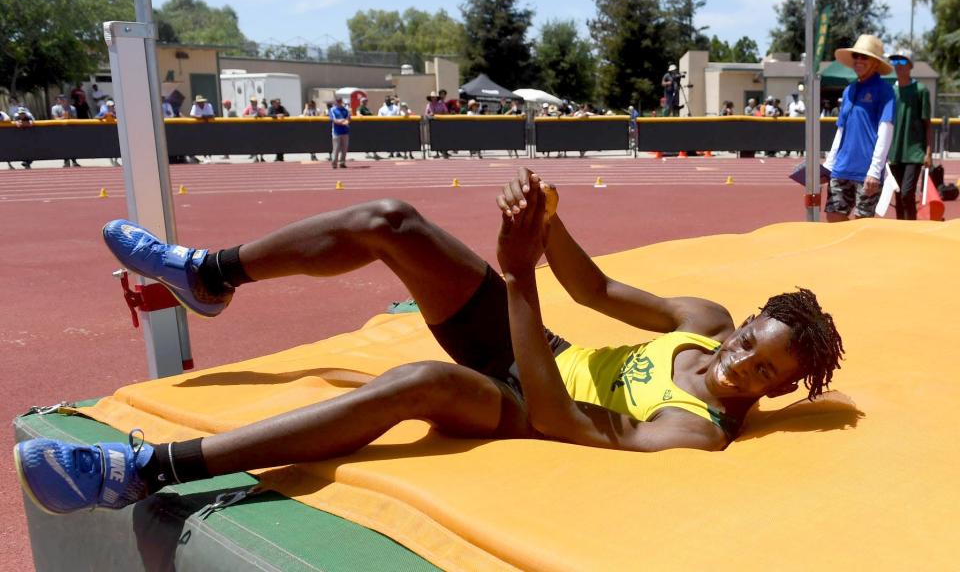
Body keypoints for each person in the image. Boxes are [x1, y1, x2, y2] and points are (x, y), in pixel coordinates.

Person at [14, 168, 845, 516]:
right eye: (749, 342)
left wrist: (517, 276)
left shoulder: (691, 431)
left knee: (416, 380)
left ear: (774, 392)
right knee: (391, 222)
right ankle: (213, 274)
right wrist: (546, 221)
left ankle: (147, 470)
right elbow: (595, 291)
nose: (741, 363)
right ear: (741, 324)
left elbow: (563, 421)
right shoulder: (699, 321)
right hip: (539, 348)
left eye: (762, 372)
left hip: (525, 401)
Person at [823, 35, 896, 222]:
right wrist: (829, 166)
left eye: (864, 57)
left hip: (866, 171)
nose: (858, 61)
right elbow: (841, 130)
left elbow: (886, 130)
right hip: (841, 168)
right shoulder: (849, 90)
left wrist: (874, 170)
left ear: (875, 63)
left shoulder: (885, 91)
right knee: (833, 218)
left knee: (861, 228)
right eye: (856, 56)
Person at [886, 50, 932, 220]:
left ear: (911, 66)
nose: (898, 65)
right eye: (895, 62)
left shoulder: (921, 90)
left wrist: (928, 152)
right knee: (898, 196)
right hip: (895, 152)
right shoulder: (890, 92)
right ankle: (901, 232)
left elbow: (928, 125)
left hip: (914, 152)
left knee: (907, 193)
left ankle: (912, 229)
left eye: (903, 62)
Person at [51, 95, 81, 167]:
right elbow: (55, 119)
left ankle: (74, 161)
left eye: (64, 99)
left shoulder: (72, 108)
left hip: (71, 128)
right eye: (61, 99)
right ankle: (66, 161)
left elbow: (75, 118)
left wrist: (69, 117)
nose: (63, 100)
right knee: (63, 146)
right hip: (61, 129)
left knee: (73, 145)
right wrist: (63, 117)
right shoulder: (55, 108)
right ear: (59, 100)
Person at [10, 102, 36, 169]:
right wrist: (20, 123)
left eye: (23, 113)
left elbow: (32, 123)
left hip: (30, 135)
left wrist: (24, 123)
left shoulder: (29, 115)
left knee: (31, 148)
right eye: (20, 113)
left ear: (25, 112)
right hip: (20, 136)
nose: (22, 115)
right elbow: (17, 124)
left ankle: (28, 162)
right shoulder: (16, 116)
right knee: (21, 148)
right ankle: (26, 162)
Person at [242, 97, 266, 163]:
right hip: (252, 128)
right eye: (252, 102)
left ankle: (262, 157)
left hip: (260, 128)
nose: (253, 103)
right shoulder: (248, 108)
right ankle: (255, 157)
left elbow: (264, 115)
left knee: (261, 142)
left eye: (254, 101)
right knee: (254, 143)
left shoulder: (260, 108)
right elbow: (244, 115)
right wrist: (252, 116)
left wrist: (259, 114)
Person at [329, 95, 350, 168]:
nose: (339, 102)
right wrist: (342, 121)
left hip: (345, 131)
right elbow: (334, 120)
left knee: (344, 148)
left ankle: (342, 162)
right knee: (336, 148)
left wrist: (345, 121)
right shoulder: (332, 110)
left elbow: (348, 119)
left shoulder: (345, 110)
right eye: (337, 101)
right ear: (335, 102)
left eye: (340, 101)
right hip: (336, 132)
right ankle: (334, 163)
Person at [267, 98, 290, 163]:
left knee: (281, 142)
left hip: (281, 128)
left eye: (279, 103)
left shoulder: (282, 108)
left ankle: (281, 157)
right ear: (274, 103)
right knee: (275, 142)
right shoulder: (271, 108)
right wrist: (276, 115)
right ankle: (277, 156)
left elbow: (288, 114)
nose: (278, 104)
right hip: (273, 128)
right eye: (277, 103)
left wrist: (283, 115)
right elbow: (268, 115)